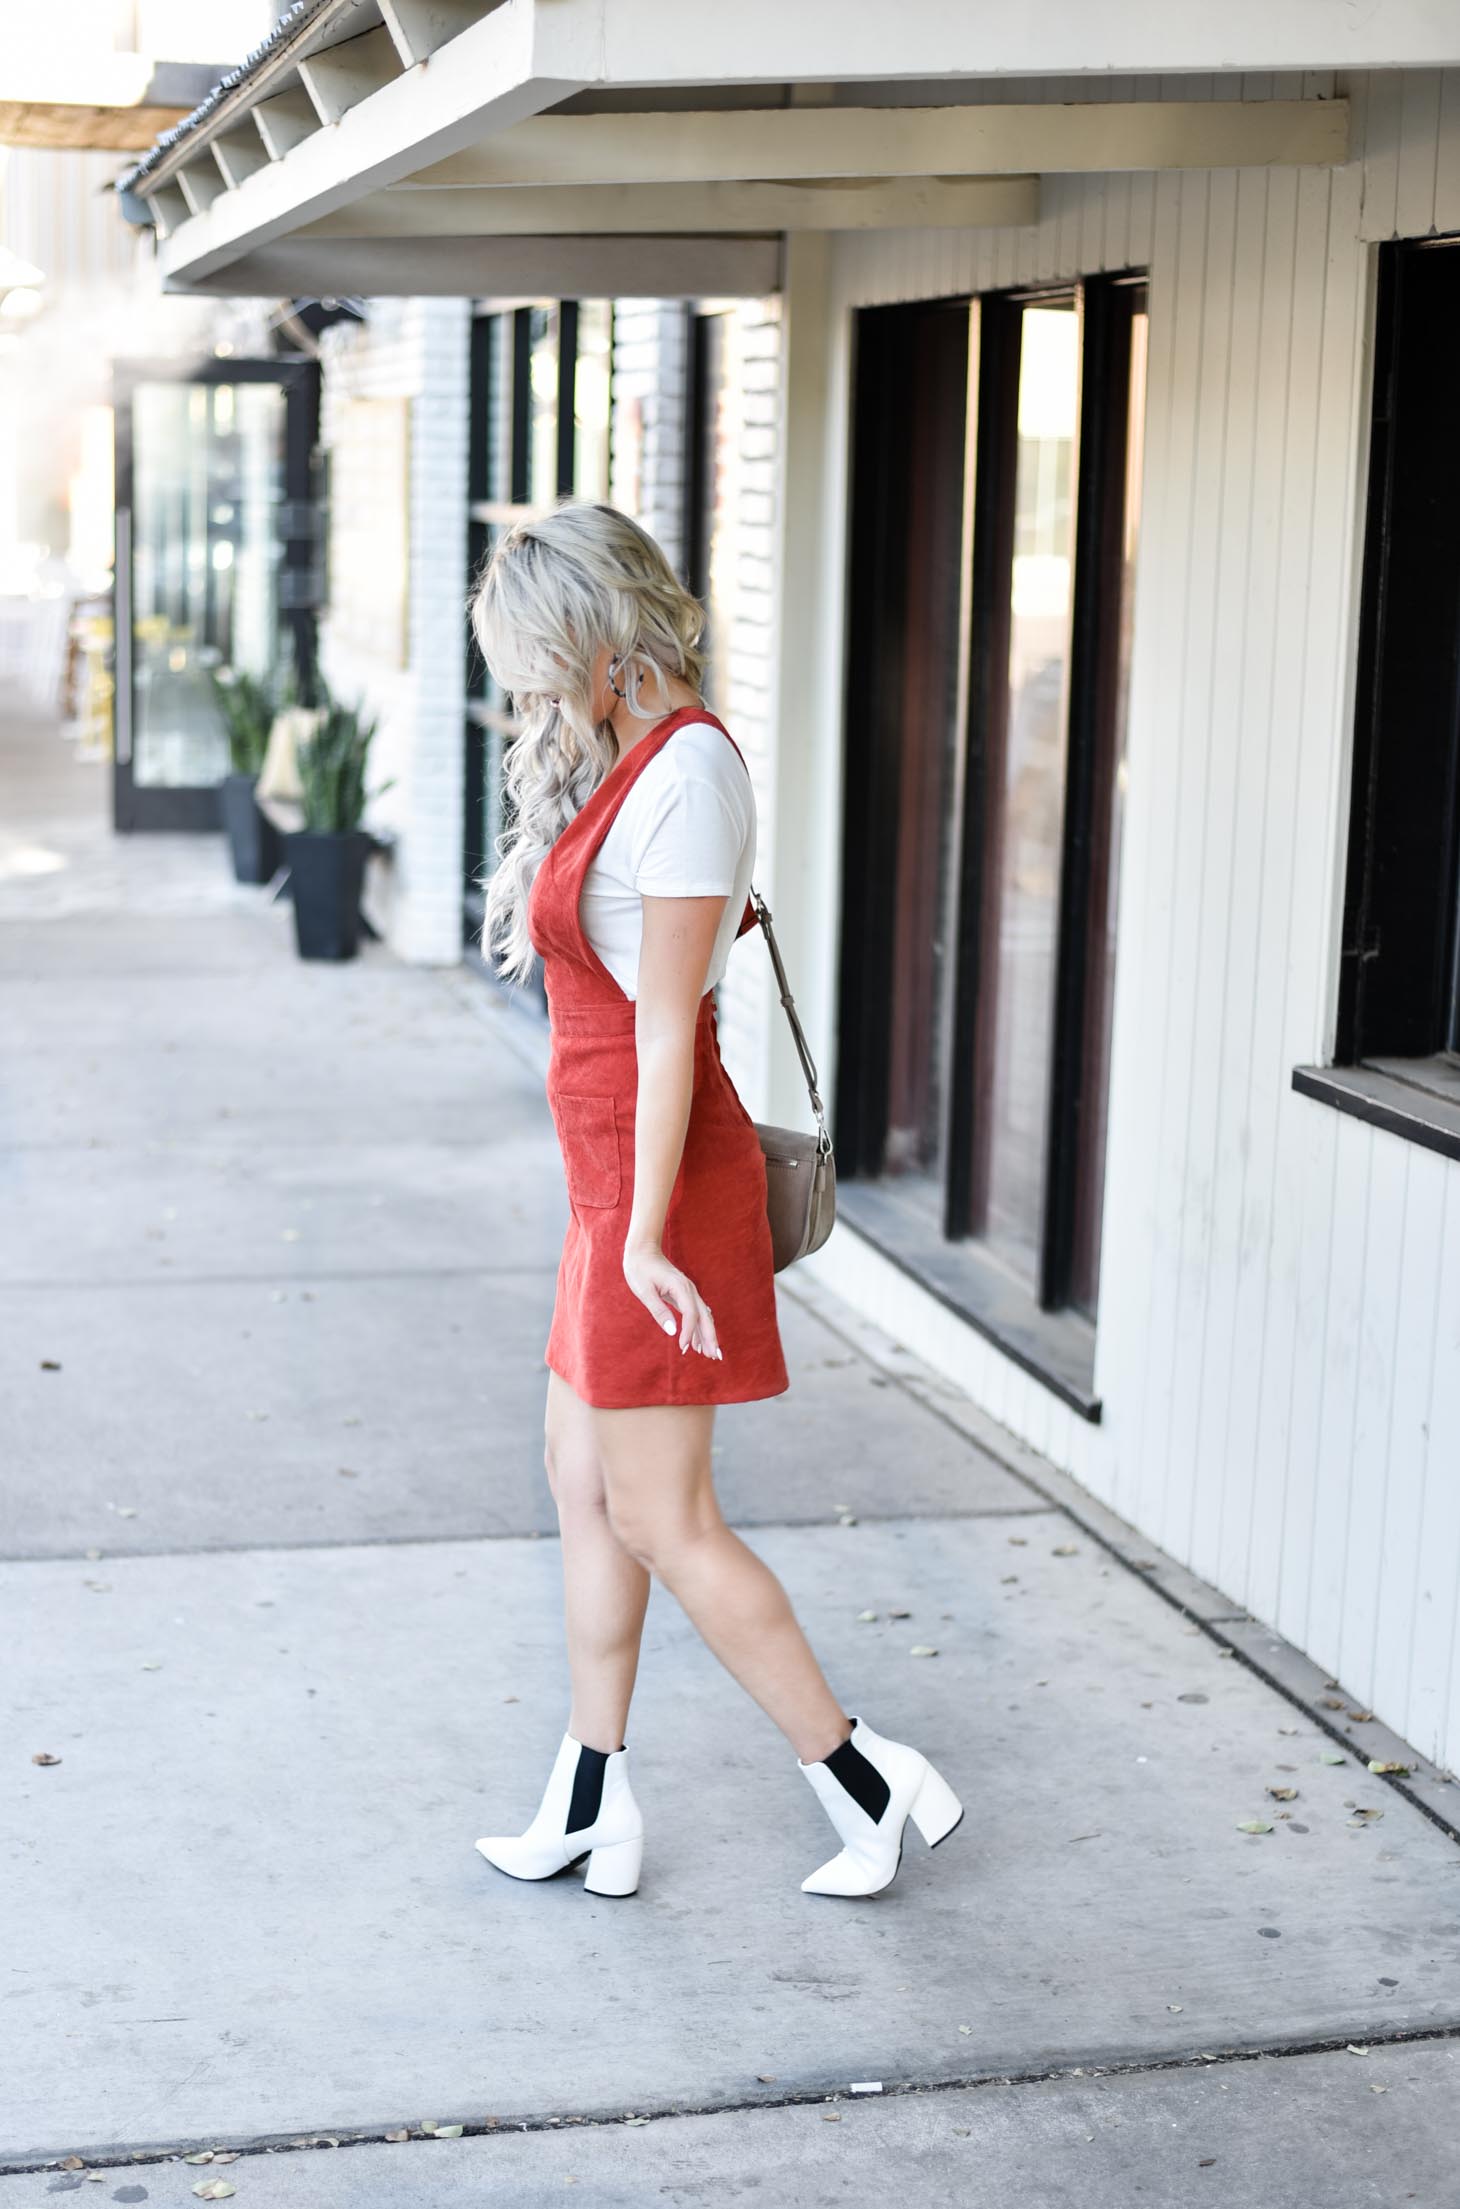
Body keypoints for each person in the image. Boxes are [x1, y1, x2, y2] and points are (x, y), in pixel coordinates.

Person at [466, 498, 962, 1899]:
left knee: (666, 1517)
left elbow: (674, 1027)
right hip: (611, 1187)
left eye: (546, 661)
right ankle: (590, 1795)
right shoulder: (635, 758)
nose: (540, 696)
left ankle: (871, 1780)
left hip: (659, 1192)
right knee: (582, 1486)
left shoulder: (687, 777)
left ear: (605, 639)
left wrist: (633, 1235)